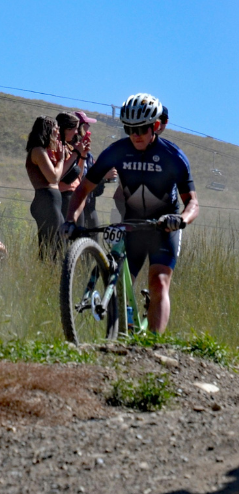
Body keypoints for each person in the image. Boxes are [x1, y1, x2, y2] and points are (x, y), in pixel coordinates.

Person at [64, 93, 199, 334]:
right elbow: (82, 189)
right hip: (132, 223)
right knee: (120, 281)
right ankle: (121, 330)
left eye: (142, 128)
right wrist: (70, 220)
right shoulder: (117, 151)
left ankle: (153, 343)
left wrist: (180, 220)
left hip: (163, 226)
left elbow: (193, 203)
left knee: (158, 283)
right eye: (130, 129)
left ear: (155, 126)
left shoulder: (173, 156)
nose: (136, 135)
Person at [25, 116, 68, 258]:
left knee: (59, 243)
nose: (57, 132)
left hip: (52, 203)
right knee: (49, 247)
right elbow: (54, 177)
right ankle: (45, 273)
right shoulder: (38, 151)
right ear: (47, 130)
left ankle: (54, 275)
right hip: (46, 202)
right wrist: (61, 160)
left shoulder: (43, 151)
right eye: (56, 129)